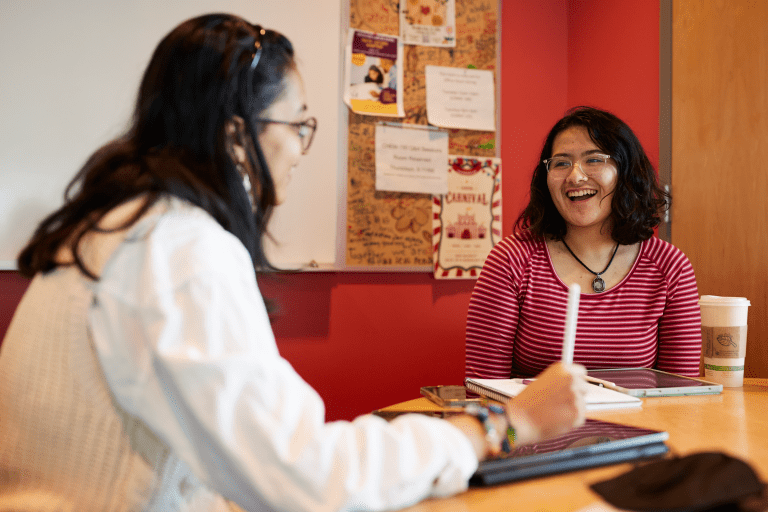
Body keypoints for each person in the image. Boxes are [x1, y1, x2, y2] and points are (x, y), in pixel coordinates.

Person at [0, 14, 587, 512]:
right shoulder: (179, 250)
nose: (303, 152)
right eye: (298, 125)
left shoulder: (122, 226)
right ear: (237, 137)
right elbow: (305, 477)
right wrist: (501, 427)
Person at [465, 106, 702, 381]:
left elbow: (681, 395)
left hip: (639, 424)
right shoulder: (511, 260)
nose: (575, 176)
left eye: (594, 160)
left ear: (625, 171)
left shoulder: (670, 267)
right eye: (562, 163)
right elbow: (483, 391)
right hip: (537, 425)